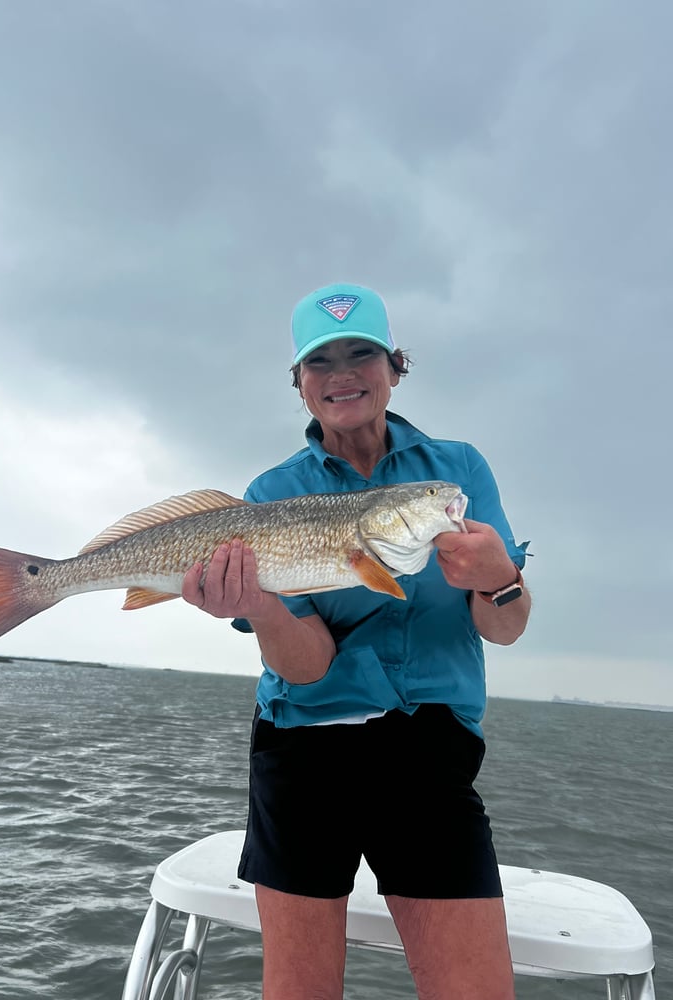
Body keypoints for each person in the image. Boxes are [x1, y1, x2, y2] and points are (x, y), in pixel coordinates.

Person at [181, 282, 531, 1000]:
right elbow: (305, 669)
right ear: (301, 386)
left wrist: (499, 576)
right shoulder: (272, 492)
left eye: (361, 353)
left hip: (430, 747)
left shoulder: (457, 469)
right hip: (304, 745)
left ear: (395, 368)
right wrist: (261, 607)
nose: (342, 373)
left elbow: (506, 625)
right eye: (320, 362)